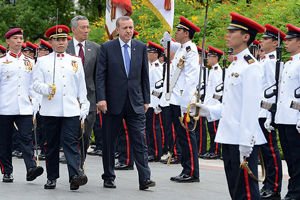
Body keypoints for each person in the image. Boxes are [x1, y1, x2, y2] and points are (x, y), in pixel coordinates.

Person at [191, 12, 266, 199]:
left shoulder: (251, 66)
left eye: (233, 31)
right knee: (235, 189)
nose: (228, 35)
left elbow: (250, 108)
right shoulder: (234, 65)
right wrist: (207, 110)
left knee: (246, 193)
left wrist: (246, 143)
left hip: (241, 138)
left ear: (246, 37)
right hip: (229, 135)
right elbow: (231, 105)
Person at [96, 16, 155, 190]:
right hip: (112, 102)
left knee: (140, 141)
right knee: (109, 142)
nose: (129, 31)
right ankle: (108, 176)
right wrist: (101, 98)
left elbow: (145, 76)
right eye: (125, 28)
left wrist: (146, 100)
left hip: (135, 102)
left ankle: (145, 178)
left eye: (131, 27)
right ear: (117, 30)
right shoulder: (107, 48)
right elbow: (100, 75)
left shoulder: (141, 47)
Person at [33, 25, 89, 190]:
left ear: (67, 41)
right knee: (51, 145)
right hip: (50, 110)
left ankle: (75, 176)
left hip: (71, 109)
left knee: (70, 143)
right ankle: (52, 177)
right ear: (51, 42)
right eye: (57, 40)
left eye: (63, 39)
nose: (61, 42)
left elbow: (81, 86)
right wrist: (46, 89)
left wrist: (84, 105)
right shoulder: (43, 61)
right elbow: (35, 84)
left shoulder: (75, 60)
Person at [0, 28, 44, 183]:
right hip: (4, 107)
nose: (19, 41)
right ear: (8, 41)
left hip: (24, 106)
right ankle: (7, 171)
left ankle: (31, 168)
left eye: (20, 38)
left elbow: (33, 85)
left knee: (26, 137)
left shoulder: (30, 61)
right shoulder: (1, 61)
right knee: (5, 141)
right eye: (15, 38)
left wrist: (35, 104)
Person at [162, 16, 200, 183]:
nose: (175, 32)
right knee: (182, 137)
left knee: (187, 136)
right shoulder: (182, 48)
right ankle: (186, 169)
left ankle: (192, 171)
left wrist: (186, 105)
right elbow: (168, 44)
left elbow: (191, 79)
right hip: (175, 99)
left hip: (184, 101)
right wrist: (166, 40)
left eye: (178, 30)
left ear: (186, 33)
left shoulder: (191, 50)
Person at [265, 23, 300, 200]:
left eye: (290, 40)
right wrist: (272, 115)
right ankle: (292, 191)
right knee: (290, 160)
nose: (286, 43)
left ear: (299, 42)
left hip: (295, 119)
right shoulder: (287, 64)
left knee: (297, 158)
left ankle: (296, 192)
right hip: (284, 118)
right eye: (286, 40)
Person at [65, 15, 101, 167]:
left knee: (86, 134)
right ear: (74, 29)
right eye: (83, 27)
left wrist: (100, 99)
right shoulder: (65, 48)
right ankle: (75, 166)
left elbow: (99, 76)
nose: (86, 30)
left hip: (90, 98)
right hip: (70, 98)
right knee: (72, 134)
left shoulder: (96, 48)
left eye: (87, 27)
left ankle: (81, 161)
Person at [258, 24, 285, 200]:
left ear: (275, 42)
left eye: (265, 39)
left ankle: (274, 187)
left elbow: (274, 90)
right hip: (259, 111)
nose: (261, 41)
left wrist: (270, 115)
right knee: (264, 151)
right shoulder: (264, 61)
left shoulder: (273, 62)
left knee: (270, 151)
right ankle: (267, 183)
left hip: (266, 112)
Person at [202, 46, 223, 160]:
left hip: (214, 104)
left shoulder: (217, 72)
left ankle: (215, 151)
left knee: (214, 129)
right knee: (211, 129)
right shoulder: (212, 71)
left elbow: (217, 91)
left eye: (210, 56)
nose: (208, 58)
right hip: (210, 104)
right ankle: (212, 150)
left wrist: (214, 106)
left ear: (216, 58)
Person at [146, 41, 164, 162]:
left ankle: (156, 152)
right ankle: (151, 150)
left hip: (154, 102)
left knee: (153, 128)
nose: (148, 54)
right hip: (149, 102)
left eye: (150, 52)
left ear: (156, 54)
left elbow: (159, 88)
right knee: (148, 129)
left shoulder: (157, 68)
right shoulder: (151, 66)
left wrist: (157, 103)